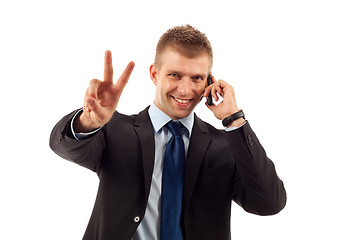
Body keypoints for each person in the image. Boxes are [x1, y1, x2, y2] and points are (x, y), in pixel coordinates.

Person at [50, 25, 286, 240]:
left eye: (197, 78)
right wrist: (88, 122)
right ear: (154, 74)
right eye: (175, 75)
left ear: (209, 82)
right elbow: (63, 146)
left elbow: (269, 203)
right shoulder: (115, 131)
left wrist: (234, 119)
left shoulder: (225, 145)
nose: (185, 90)